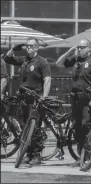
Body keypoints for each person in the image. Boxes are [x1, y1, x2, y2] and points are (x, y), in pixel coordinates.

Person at [56, 38, 91, 167]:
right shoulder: (76, 59)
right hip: (76, 98)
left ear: (89, 48)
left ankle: (88, 155)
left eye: (83, 47)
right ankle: (81, 156)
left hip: (89, 98)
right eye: (79, 47)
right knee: (77, 127)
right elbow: (59, 63)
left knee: (86, 125)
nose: (80, 49)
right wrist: (69, 52)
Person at [4, 37, 52, 165]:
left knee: (35, 127)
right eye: (27, 46)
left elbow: (47, 80)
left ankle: (36, 155)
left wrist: (44, 97)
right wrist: (14, 49)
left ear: (36, 47)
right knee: (24, 126)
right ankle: (28, 153)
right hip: (23, 97)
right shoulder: (24, 60)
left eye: (31, 46)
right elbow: (7, 59)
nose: (28, 48)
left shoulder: (42, 62)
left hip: (36, 97)